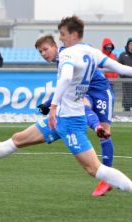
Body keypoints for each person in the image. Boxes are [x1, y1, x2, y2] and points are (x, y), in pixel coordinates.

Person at [0, 16, 132, 214]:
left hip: (70, 121)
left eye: (62, 35)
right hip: (61, 118)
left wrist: (52, 108)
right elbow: (119, 67)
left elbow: (65, 78)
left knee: (94, 169)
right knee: (18, 139)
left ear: (73, 34)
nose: (61, 39)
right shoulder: (91, 52)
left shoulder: (67, 53)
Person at [36, 35, 114, 197]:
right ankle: (105, 179)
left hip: (100, 90)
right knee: (83, 107)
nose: (43, 54)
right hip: (83, 91)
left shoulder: (67, 55)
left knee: (105, 135)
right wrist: (49, 103)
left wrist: (50, 104)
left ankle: (107, 178)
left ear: (55, 46)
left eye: (45, 49)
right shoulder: (61, 61)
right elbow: (66, 86)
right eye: (40, 52)